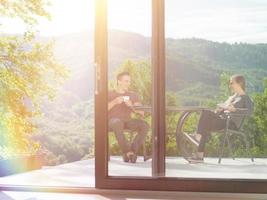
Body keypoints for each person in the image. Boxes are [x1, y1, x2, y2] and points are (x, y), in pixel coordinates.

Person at [186, 74, 253, 163]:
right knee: (204, 123)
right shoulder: (233, 97)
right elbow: (225, 109)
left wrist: (234, 109)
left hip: (231, 123)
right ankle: (199, 156)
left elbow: (249, 111)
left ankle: (197, 137)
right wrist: (221, 108)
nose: (230, 85)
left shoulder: (246, 98)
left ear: (239, 84)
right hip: (223, 120)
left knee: (205, 115)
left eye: (232, 83)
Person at [108, 72, 149, 163]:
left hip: (127, 121)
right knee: (117, 122)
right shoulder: (109, 94)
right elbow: (101, 109)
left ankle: (132, 152)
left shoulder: (132, 95)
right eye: (126, 81)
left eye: (129, 81)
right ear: (119, 81)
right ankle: (127, 152)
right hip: (112, 122)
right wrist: (114, 102)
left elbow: (141, 112)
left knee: (144, 125)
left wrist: (131, 106)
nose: (128, 83)